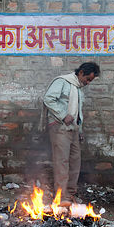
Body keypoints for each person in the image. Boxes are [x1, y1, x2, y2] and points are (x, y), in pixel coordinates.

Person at [42, 62, 100, 207]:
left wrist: (80, 130)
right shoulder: (62, 82)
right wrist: (63, 115)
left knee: (75, 161)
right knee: (62, 162)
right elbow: (48, 98)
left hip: (73, 129)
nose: (87, 83)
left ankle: (70, 194)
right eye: (87, 79)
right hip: (60, 127)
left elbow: (77, 112)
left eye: (90, 81)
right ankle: (61, 198)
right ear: (81, 73)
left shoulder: (78, 89)